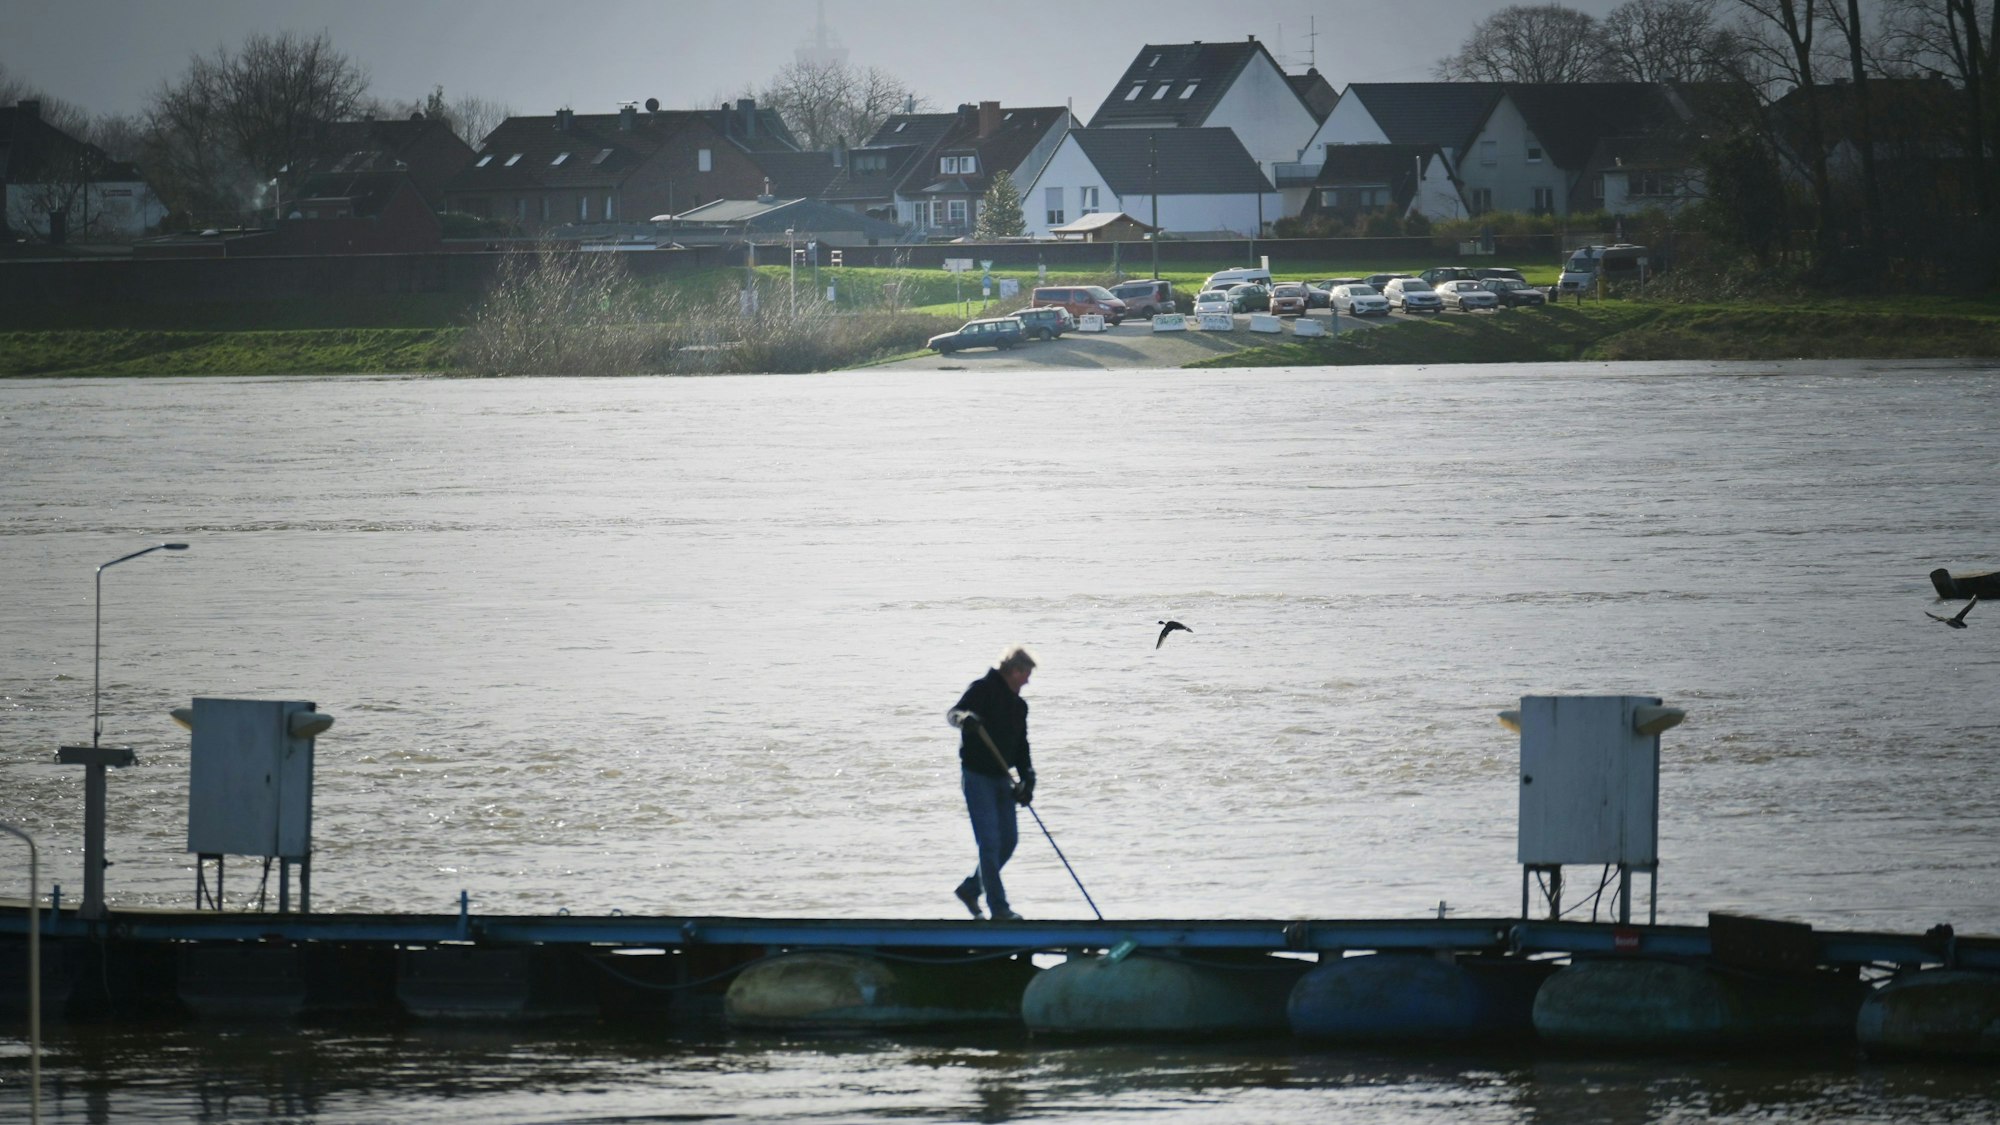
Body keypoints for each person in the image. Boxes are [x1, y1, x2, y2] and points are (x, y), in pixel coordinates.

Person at [946, 645, 1037, 922]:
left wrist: (1028, 778)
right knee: (989, 842)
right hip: (977, 777)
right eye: (1026, 674)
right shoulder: (982, 689)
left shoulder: (1019, 705)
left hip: (1002, 779)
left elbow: (1021, 746)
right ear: (1014, 670)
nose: (1028, 681)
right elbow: (953, 714)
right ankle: (999, 910)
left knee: (1008, 841)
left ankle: (971, 889)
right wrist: (965, 719)